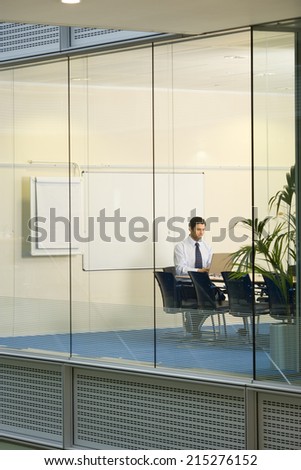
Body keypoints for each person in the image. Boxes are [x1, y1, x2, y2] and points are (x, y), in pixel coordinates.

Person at [174, 216, 224, 336]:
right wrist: (199, 270)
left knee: (219, 296)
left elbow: (209, 266)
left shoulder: (207, 247)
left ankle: (194, 322)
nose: (201, 232)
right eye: (198, 229)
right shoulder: (180, 247)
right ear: (190, 229)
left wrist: (213, 269)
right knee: (206, 298)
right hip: (187, 285)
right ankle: (194, 323)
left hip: (203, 284)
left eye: (203, 230)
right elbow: (180, 269)